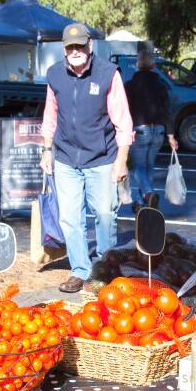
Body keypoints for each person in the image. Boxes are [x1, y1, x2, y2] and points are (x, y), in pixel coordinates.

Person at [39, 22, 133, 293]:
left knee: (105, 214)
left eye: (80, 45)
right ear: (64, 50)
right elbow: (50, 116)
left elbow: (123, 121)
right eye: (70, 46)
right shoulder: (55, 75)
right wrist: (47, 150)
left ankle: (105, 268)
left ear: (90, 46)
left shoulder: (108, 74)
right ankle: (79, 270)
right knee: (70, 218)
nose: (76, 50)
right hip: (66, 158)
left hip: (102, 158)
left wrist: (121, 159)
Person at [124, 48, 178, 212]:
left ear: (137, 65)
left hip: (140, 128)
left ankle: (148, 194)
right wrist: (171, 136)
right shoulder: (161, 86)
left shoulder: (130, 85)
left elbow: (125, 111)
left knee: (137, 167)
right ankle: (141, 202)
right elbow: (167, 111)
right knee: (149, 166)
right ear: (154, 65)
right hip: (159, 130)